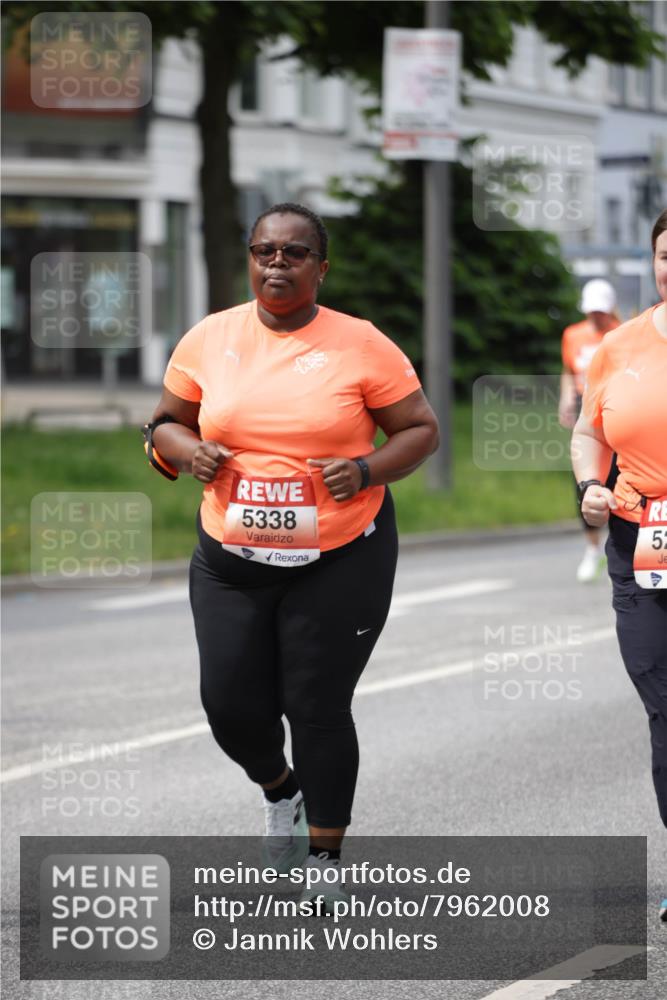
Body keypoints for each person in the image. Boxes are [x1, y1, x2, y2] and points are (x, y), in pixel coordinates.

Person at [144, 202, 439, 907]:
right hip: (231, 555)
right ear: (250, 259)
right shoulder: (209, 338)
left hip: (340, 554)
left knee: (315, 704)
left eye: (294, 253)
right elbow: (161, 425)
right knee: (228, 705)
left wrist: (365, 470)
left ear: (321, 267)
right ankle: (281, 791)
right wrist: (189, 452)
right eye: (264, 251)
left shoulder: (361, 345)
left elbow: (419, 430)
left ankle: (325, 856)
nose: (277, 263)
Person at [571, 208, 667, 923]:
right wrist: (589, 486)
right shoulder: (618, 347)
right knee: (663, 708)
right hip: (641, 542)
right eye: (666, 255)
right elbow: (585, 430)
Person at [559, 279, 620, 582]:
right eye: (591, 311)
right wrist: (564, 400)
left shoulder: (624, 333)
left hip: (618, 405)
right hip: (587, 405)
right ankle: (592, 549)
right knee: (586, 479)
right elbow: (569, 372)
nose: (596, 316)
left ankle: (619, 544)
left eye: (601, 311)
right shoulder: (572, 335)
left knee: (618, 477)